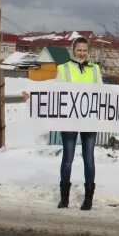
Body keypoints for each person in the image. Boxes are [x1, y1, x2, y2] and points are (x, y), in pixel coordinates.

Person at [25, 36, 102, 211]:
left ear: (88, 52)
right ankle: (64, 198)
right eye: (79, 49)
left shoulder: (96, 69)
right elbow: (54, 93)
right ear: (73, 50)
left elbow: (104, 94)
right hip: (69, 120)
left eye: (85, 50)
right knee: (68, 158)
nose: (82, 53)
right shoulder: (63, 68)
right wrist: (33, 97)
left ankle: (88, 199)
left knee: (89, 158)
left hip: (89, 120)